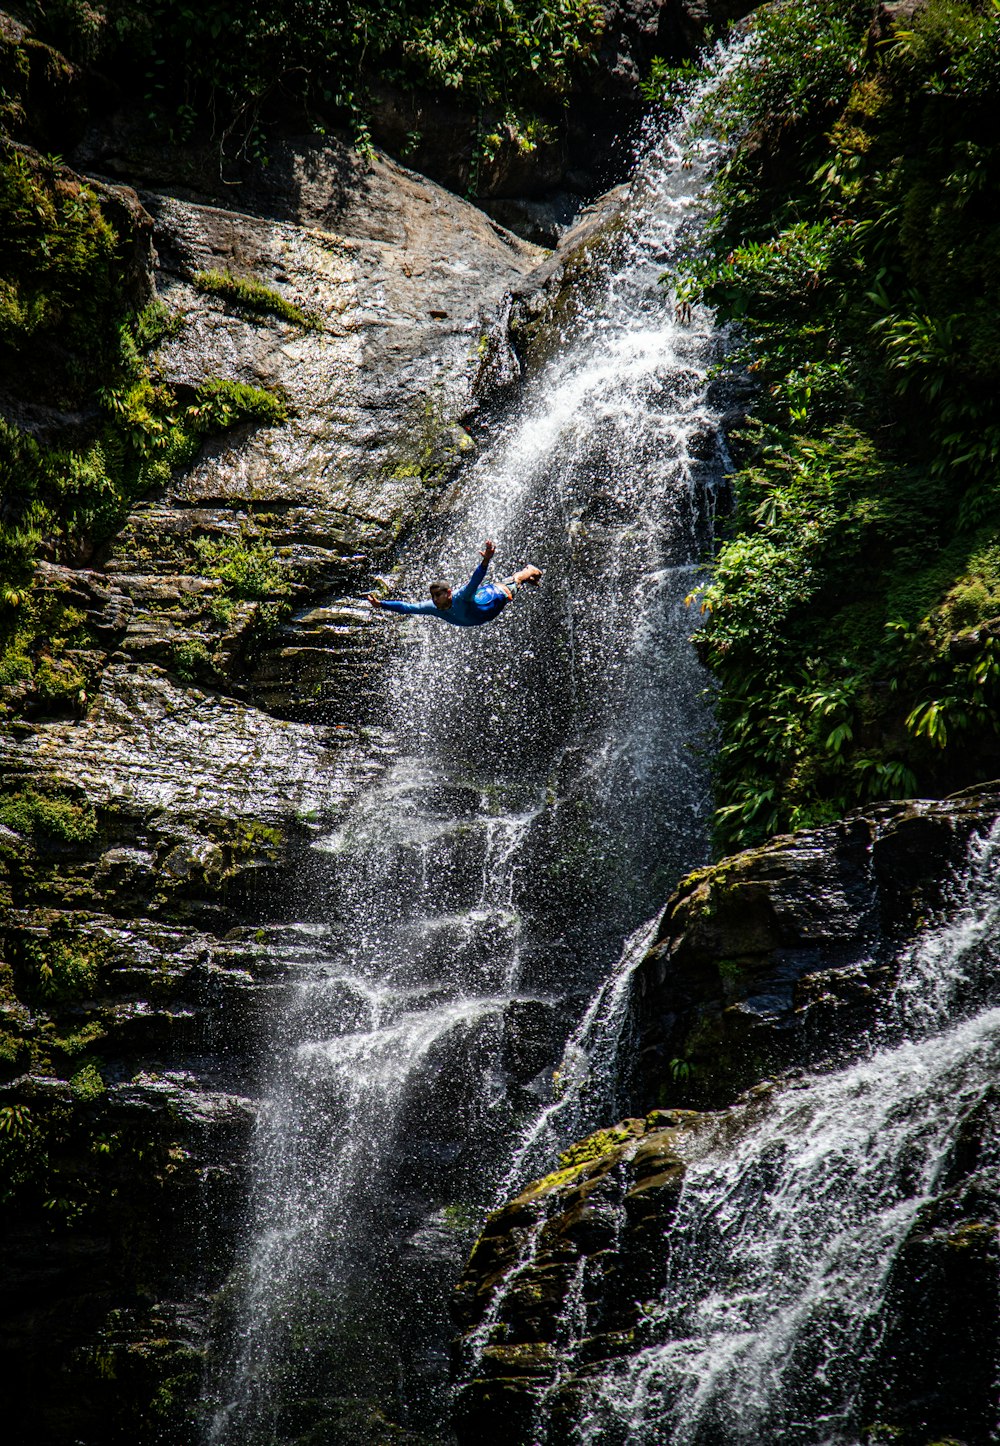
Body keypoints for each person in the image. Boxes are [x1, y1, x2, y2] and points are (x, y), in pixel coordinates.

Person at [368, 540, 541, 627]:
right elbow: (407, 607)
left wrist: (486, 560)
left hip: (495, 596)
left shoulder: (461, 596)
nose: (434, 599)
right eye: (433, 596)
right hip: (483, 607)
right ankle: (528, 577)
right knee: (517, 582)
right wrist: (381, 604)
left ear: (449, 593)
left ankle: (531, 570)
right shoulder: (432, 607)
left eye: (438, 595)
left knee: (518, 580)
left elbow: (475, 580)